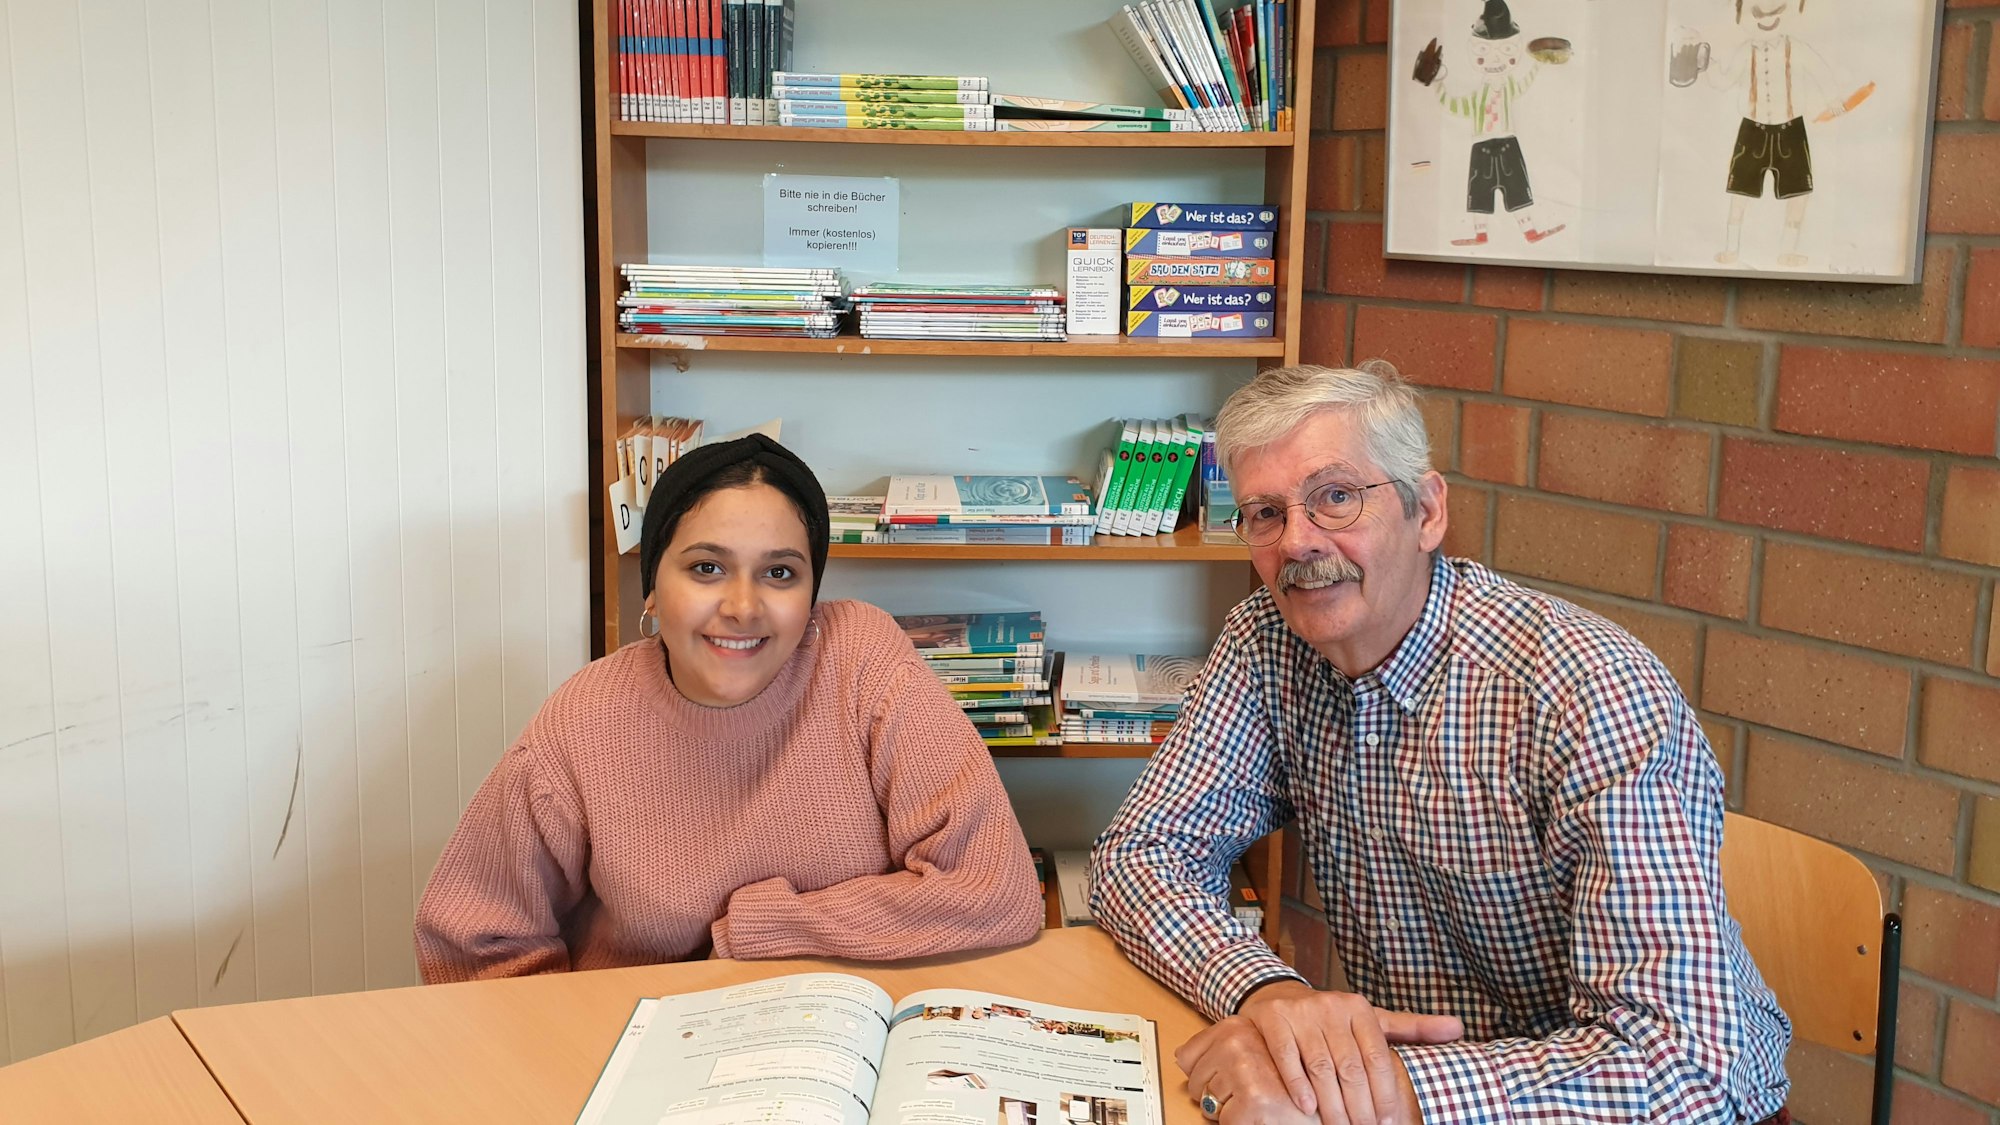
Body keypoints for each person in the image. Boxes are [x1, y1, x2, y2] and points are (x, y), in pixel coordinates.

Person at [1091, 364, 1791, 1123]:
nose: (1297, 542)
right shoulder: (1267, 640)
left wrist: (1381, 1086)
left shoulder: (1587, 689)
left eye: (1336, 496)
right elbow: (1142, 854)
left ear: (1426, 512)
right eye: (1265, 512)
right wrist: (1272, 996)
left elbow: (1684, 1065)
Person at [415, 434, 1042, 982]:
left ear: (812, 594)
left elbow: (996, 891)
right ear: (654, 588)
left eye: (779, 574)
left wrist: (758, 931)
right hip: (645, 1040)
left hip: (841, 1030)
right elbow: (475, 941)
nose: (743, 607)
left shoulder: (862, 660)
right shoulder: (586, 719)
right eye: (707, 567)